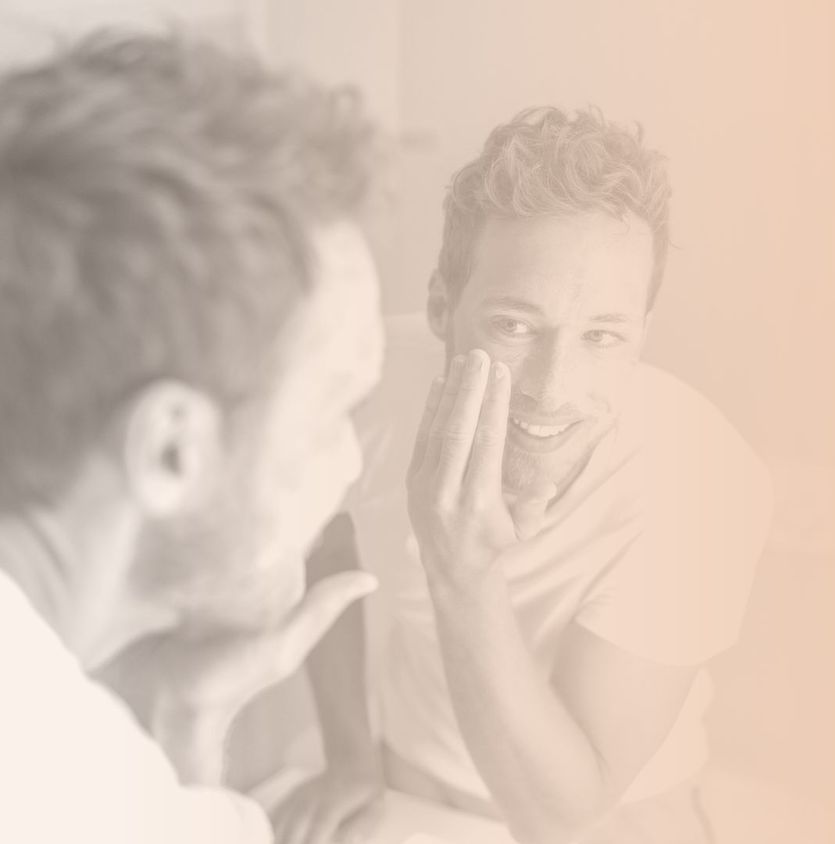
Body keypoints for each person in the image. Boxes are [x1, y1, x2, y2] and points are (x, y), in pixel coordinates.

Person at [276, 107, 773, 844]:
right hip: (400, 789)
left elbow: (561, 813)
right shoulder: (366, 380)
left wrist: (461, 568)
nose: (552, 386)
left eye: (602, 336)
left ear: (643, 333)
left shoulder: (702, 482)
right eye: (514, 326)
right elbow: (325, 542)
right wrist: (349, 753)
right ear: (444, 306)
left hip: (616, 819)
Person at [0, 33, 385, 842]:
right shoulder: (67, 791)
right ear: (171, 450)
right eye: (331, 412)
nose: (351, 464)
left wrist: (178, 719)